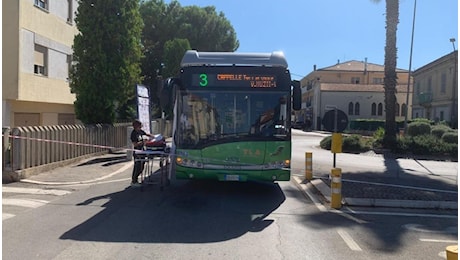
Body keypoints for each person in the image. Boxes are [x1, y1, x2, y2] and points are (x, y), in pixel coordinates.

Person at [130, 119, 153, 187]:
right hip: (137, 152)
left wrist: (152, 136)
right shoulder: (133, 134)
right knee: (137, 166)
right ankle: (134, 181)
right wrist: (143, 142)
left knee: (142, 166)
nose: (140, 128)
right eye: (139, 127)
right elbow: (135, 144)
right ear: (135, 126)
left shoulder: (140, 131)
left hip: (142, 151)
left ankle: (136, 179)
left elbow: (146, 134)